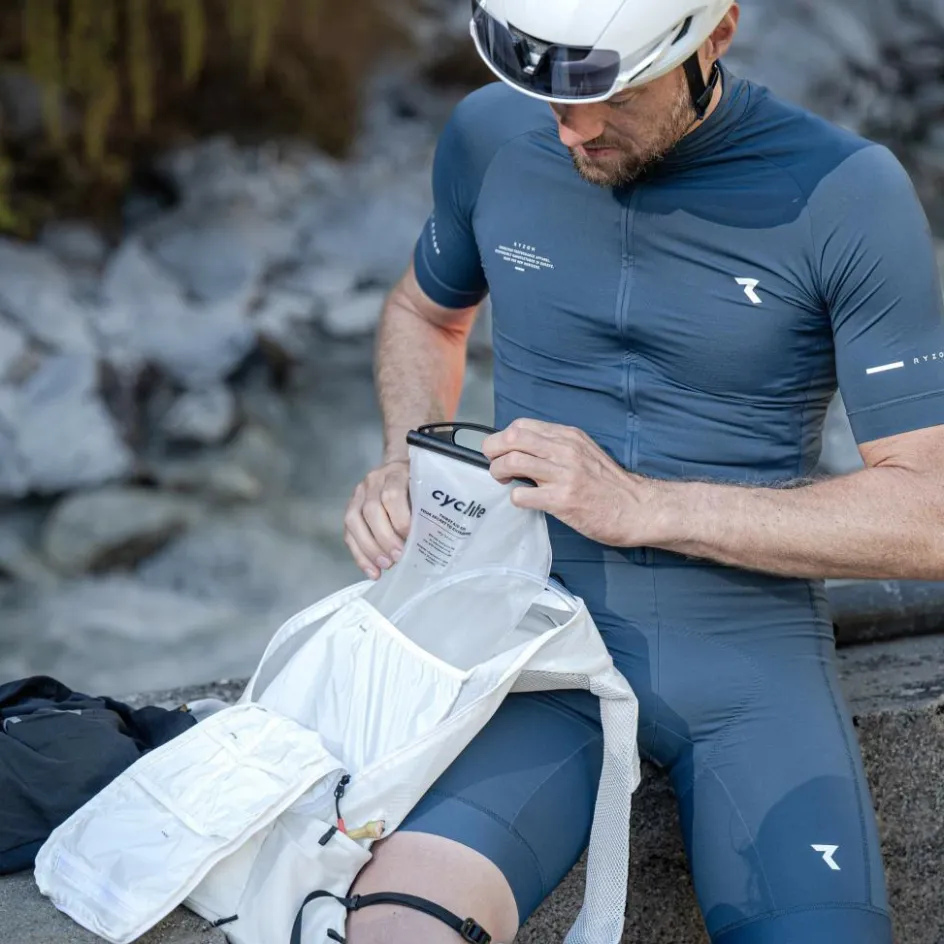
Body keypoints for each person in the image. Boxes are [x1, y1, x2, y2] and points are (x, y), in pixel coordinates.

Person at [341, 1, 944, 941]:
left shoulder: (843, 191)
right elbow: (426, 313)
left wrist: (644, 505)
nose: (573, 128)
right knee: (393, 928)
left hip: (748, 673)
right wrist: (405, 461)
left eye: (613, 96)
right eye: (552, 96)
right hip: (531, 652)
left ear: (718, 34)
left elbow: (930, 514)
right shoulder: (491, 136)